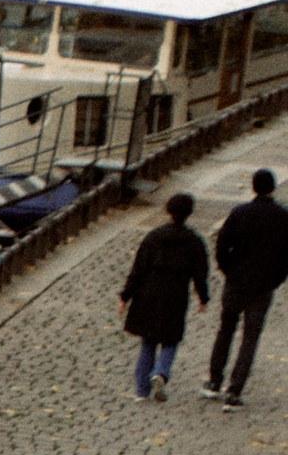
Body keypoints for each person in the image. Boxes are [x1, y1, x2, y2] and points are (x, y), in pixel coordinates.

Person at [206, 168, 288, 405]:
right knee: (250, 338)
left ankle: (214, 379)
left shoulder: (240, 213)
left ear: (253, 187)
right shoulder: (283, 218)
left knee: (225, 330)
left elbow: (221, 246)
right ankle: (235, 389)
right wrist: (276, 279)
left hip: (236, 282)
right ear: (273, 188)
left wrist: (228, 270)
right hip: (263, 286)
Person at [120, 191, 209, 399]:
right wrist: (203, 298)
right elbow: (200, 273)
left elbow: (138, 269)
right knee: (170, 340)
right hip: (175, 295)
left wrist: (125, 296)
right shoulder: (194, 242)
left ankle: (142, 391)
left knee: (148, 342)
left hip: (148, 293)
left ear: (168, 211)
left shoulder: (153, 237)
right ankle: (161, 372)